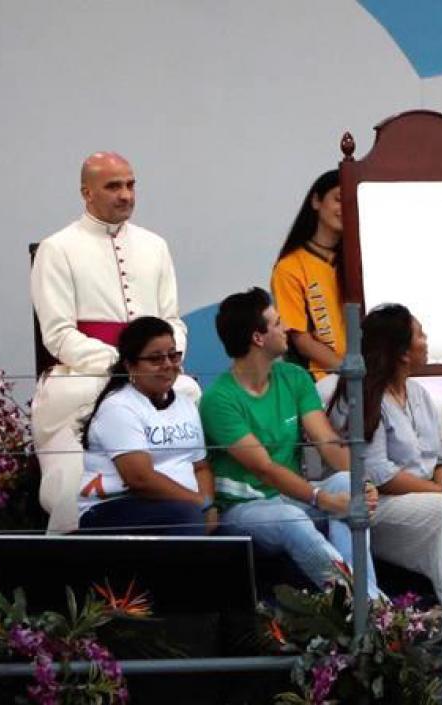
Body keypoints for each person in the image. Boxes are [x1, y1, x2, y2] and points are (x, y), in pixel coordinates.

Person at [30, 152, 199, 534]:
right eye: (113, 186)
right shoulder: (57, 249)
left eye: (130, 184)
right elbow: (58, 333)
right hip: (85, 379)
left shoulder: (155, 246)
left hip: (154, 376)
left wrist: (164, 358)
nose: (125, 195)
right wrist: (125, 365)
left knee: (186, 393)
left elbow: (172, 318)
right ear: (86, 193)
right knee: (71, 487)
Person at [330, 304, 442, 616]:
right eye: (421, 334)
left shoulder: (420, 394)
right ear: (402, 352)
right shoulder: (363, 396)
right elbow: (380, 474)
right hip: (381, 504)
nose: (427, 341)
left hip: (430, 504)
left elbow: (441, 460)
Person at [199, 288, 378, 595]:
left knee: (346, 484)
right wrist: (321, 499)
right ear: (258, 337)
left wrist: (361, 481)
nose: (285, 330)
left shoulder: (294, 377)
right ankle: (375, 610)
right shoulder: (218, 399)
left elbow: (326, 441)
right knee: (291, 516)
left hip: (291, 498)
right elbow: (265, 469)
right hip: (245, 509)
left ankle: (363, 610)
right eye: (278, 323)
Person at [78, 317, 213, 535]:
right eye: (156, 359)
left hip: (184, 509)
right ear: (130, 365)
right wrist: (200, 503)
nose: (168, 364)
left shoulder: (186, 404)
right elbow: (140, 479)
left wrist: (210, 506)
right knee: (185, 518)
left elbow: (201, 467)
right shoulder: (118, 407)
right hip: (113, 509)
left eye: (173, 355)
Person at [270, 169, 347, 405]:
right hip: (322, 380)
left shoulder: (356, 262)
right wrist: (350, 372)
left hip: (361, 376)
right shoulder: (290, 267)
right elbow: (301, 342)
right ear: (316, 201)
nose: (344, 208)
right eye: (338, 199)